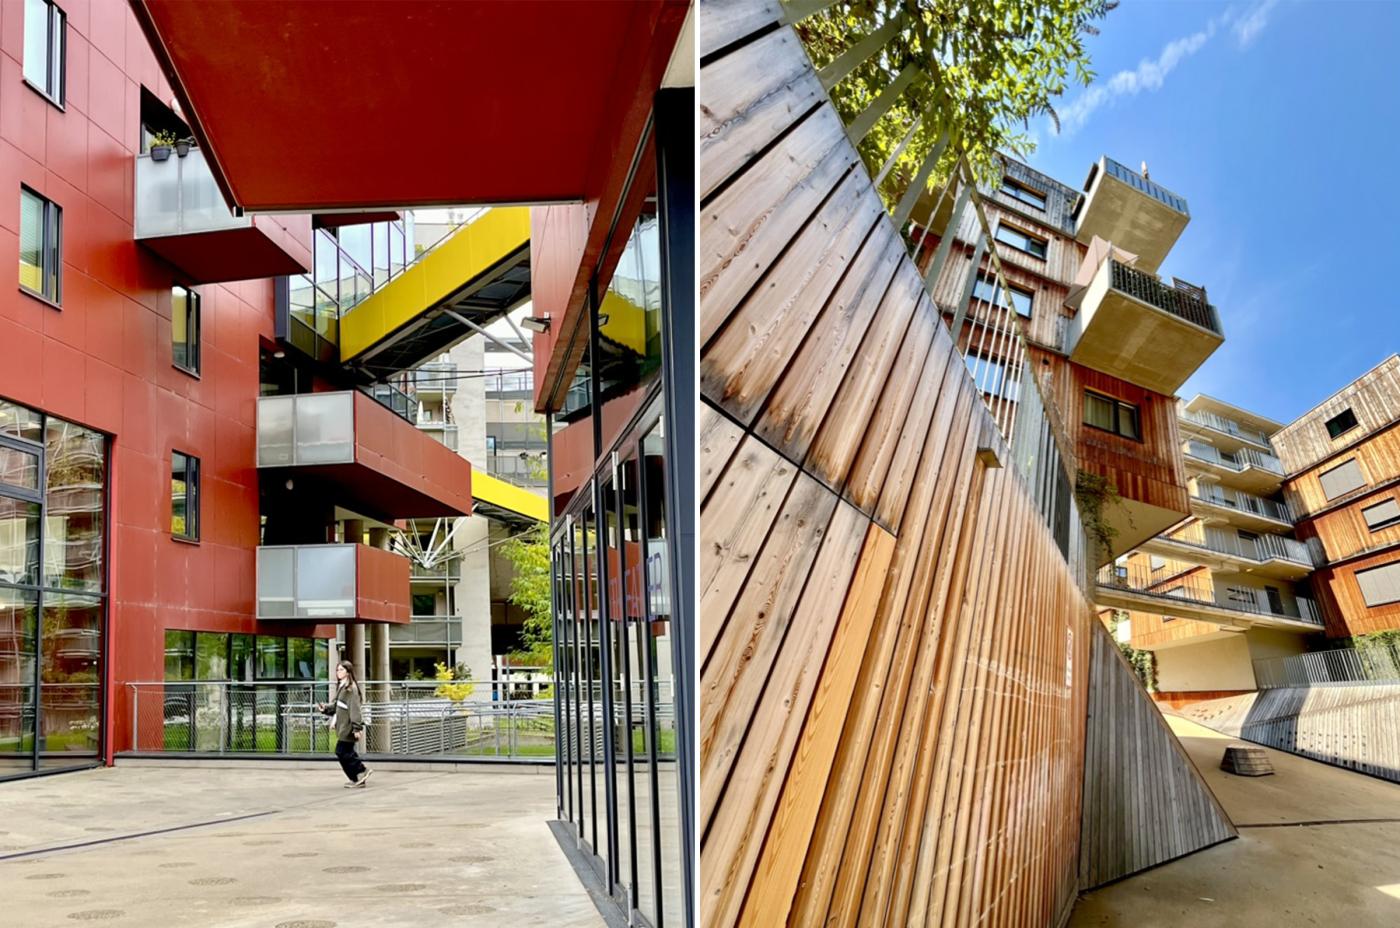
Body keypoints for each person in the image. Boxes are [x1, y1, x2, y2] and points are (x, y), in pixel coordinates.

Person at [317, 660, 372, 788]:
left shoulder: (350, 689)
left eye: (341, 670)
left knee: (342, 751)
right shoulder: (342, 687)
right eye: (337, 670)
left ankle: (361, 771)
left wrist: (357, 728)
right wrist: (325, 709)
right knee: (345, 752)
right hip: (343, 726)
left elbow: (355, 709)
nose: (338, 672)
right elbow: (337, 705)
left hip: (348, 726)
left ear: (348, 672)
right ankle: (357, 777)